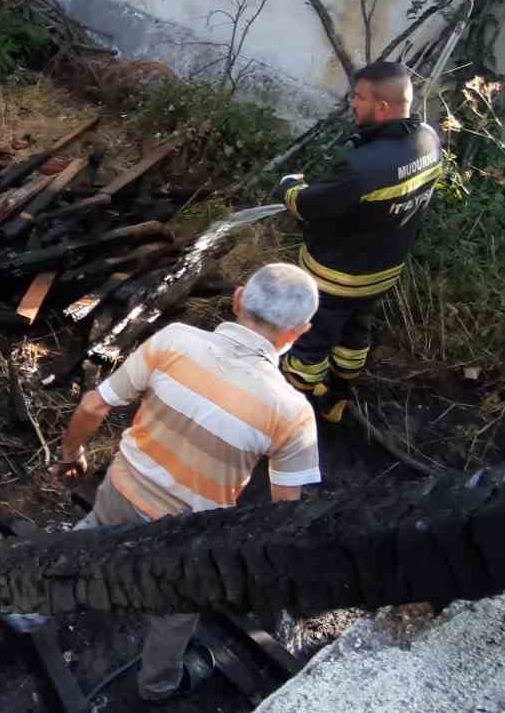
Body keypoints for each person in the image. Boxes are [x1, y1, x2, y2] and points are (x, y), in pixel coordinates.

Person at [52, 262, 322, 702]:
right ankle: (158, 686)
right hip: (185, 535)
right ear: (299, 331)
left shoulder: (174, 340)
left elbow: (92, 406)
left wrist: (71, 454)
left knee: (86, 543)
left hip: (121, 489)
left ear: (238, 300)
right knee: (173, 616)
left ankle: (26, 608)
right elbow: (284, 516)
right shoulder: (292, 413)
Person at [276, 61, 442, 424]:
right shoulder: (429, 140)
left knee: (311, 340)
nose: (352, 103)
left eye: (359, 97)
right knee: (355, 334)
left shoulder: (363, 167)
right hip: (383, 271)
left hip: (335, 276)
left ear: (383, 106)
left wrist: (290, 184)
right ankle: (337, 400)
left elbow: (306, 206)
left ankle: (289, 412)